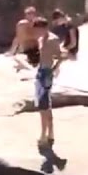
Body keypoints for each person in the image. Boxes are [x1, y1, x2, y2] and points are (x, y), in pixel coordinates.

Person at [31, 17, 64, 147]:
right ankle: (50, 133)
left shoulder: (52, 39)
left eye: (37, 29)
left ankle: (44, 135)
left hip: (46, 73)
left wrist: (54, 69)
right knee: (43, 105)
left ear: (43, 28)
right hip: (40, 71)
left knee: (44, 105)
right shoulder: (41, 39)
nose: (36, 32)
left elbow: (60, 56)